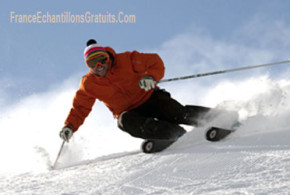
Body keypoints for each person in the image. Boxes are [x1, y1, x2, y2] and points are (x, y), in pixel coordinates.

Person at [59, 39, 211, 143]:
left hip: (150, 97)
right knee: (124, 121)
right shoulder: (89, 84)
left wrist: (151, 77)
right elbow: (80, 108)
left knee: (175, 112)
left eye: (102, 59)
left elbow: (155, 62)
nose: (99, 65)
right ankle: (174, 134)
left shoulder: (127, 60)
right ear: (88, 66)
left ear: (108, 57)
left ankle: (218, 117)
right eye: (93, 62)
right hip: (131, 113)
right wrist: (70, 126)